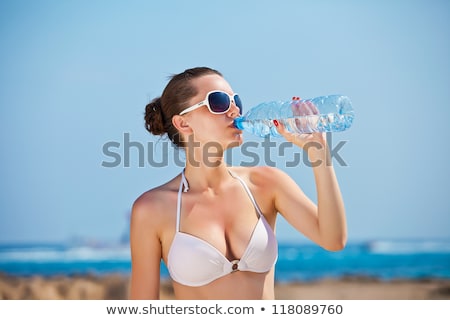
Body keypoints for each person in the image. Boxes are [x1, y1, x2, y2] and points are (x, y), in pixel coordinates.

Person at [129, 67, 347, 300]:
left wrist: (319, 154)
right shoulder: (152, 209)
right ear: (183, 123)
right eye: (219, 102)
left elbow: (333, 239)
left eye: (236, 101)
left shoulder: (267, 184)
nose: (234, 110)